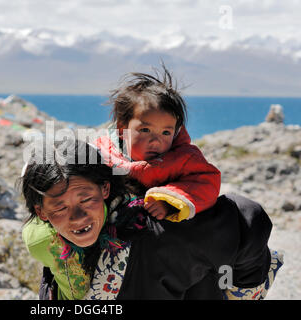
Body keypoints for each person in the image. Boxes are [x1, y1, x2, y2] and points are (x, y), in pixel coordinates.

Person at [20, 140, 283, 300]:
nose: (76, 218)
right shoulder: (41, 238)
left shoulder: (159, 226)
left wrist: (241, 293)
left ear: (105, 190)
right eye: (59, 208)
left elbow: (247, 218)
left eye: (85, 199)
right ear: (41, 213)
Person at [95, 66, 220, 222]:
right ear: (122, 128)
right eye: (146, 130)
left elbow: (207, 183)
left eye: (166, 133)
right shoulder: (104, 153)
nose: (156, 140)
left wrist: (168, 201)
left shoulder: (183, 158)